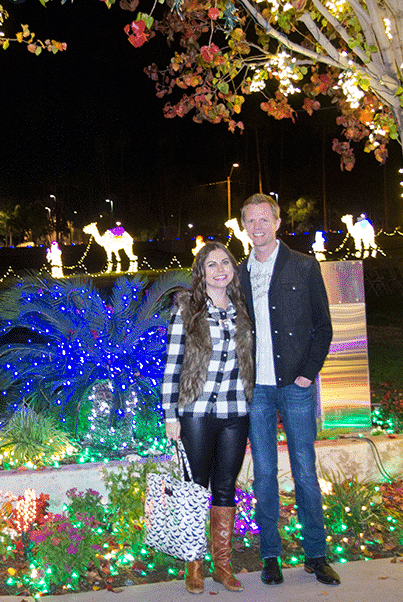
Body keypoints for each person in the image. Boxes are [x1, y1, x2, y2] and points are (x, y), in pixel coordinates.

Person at [238, 193, 340, 587]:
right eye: (250, 221)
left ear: (277, 223)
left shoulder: (303, 266)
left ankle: (316, 554)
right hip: (256, 390)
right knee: (263, 474)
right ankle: (270, 556)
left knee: (304, 471)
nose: (257, 228)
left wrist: (307, 373)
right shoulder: (239, 274)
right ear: (243, 226)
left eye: (264, 220)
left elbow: (323, 327)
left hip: (295, 386)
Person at [162, 243, 254, 594]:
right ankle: (194, 566)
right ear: (201, 271)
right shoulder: (187, 308)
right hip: (196, 412)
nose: (220, 269)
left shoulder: (242, 308)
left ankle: (223, 566)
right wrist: (171, 413)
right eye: (211, 264)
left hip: (235, 411)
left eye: (226, 263)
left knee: (225, 487)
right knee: (194, 487)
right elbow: (173, 365)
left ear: (233, 268)